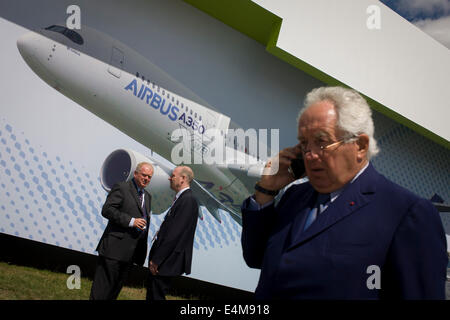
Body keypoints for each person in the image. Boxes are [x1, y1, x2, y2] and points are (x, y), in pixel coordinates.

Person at [241, 86, 448, 299]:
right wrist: (266, 191)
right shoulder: (295, 196)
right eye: (304, 144)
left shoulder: (406, 213)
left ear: (360, 145)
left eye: (321, 142)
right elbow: (256, 258)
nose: (310, 155)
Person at [90, 162, 154, 300]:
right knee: (101, 291)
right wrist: (131, 221)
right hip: (113, 250)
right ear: (136, 173)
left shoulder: (148, 196)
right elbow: (107, 210)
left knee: (113, 292)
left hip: (130, 254)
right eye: (144, 175)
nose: (146, 179)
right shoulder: (122, 187)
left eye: (149, 177)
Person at [146, 166, 199, 300]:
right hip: (165, 259)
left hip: (166, 260)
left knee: (156, 295)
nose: (170, 178)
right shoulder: (182, 198)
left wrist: (157, 260)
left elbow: (174, 234)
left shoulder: (188, 200)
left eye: (173, 175)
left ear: (183, 178)